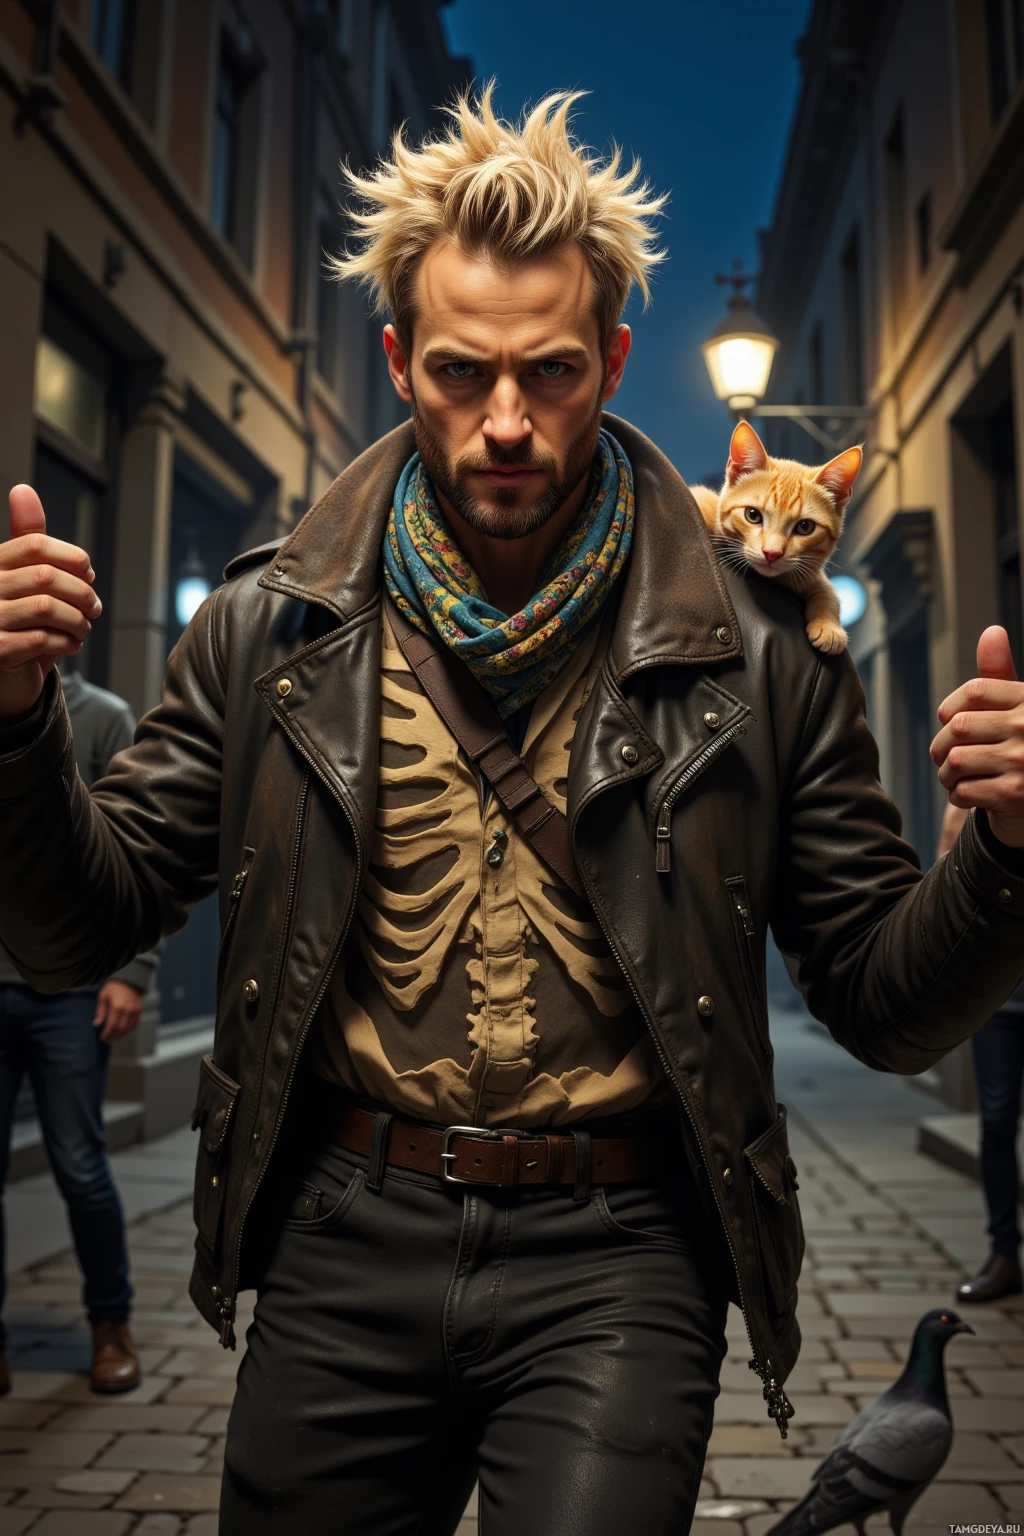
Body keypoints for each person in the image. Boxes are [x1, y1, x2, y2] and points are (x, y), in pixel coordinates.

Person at [1, 89, 1023, 1535]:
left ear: (609, 363)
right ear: (397, 359)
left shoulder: (758, 649)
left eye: (547, 373)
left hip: (623, 1246)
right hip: (342, 1231)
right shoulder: (268, 626)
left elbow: (880, 999)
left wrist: (1006, 858)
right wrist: (14, 727)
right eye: (460, 371)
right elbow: (68, 929)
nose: (502, 425)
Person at [0, 664, 157, 1394]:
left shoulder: (102, 715)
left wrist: (133, 974)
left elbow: (141, 848)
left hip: (69, 991)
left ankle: (110, 1322)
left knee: (80, 1166)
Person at [937, 802, 1024, 1303]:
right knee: (995, 1123)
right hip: (1000, 997)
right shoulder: (980, 794)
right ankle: (1004, 1253)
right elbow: (946, 882)